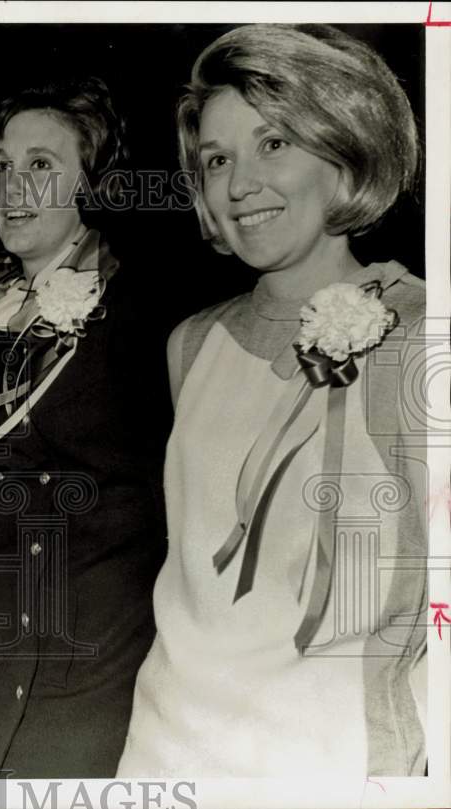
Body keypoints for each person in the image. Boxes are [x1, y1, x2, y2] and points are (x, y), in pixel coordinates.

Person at [117, 24, 427, 776]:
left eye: (274, 144)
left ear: (343, 148)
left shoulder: (421, 332)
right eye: (217, 159)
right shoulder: (191, 345)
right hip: (166, 755)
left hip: (331, 763)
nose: (238, 183)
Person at [0, 77, 169, 778]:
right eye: (1, 165)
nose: (12, 186)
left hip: (102, 668)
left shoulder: (148, 316)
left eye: (41, 165)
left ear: (89, 183)